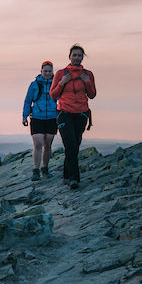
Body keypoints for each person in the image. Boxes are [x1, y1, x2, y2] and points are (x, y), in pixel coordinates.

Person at [49, 44, 97, 189]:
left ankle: (66, 175)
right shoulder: (61, 73)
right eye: (74, 55)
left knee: (75, 144)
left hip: (81, 113)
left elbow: (92, 95)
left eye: (79, 55)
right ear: (69, 56)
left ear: (83, 57)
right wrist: (62, 83)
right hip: (64, 113)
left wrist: (87, 81)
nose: (77, 58)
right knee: (71, 145)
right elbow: (53, 95)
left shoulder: (88, 74)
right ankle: (74, 179)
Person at [21, 60, 58, 180]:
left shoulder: (57, 84)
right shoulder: (34, 84)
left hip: (52, 118)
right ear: (41, 71)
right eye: (45, 71)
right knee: (38, 144)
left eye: (49, 71)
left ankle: (45, 169)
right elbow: (28, 101)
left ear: (52, 71)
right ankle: (35, 170)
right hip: (37, 117)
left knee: (48, 145)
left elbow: (61, 100)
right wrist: (25, 116)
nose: (47, 73)